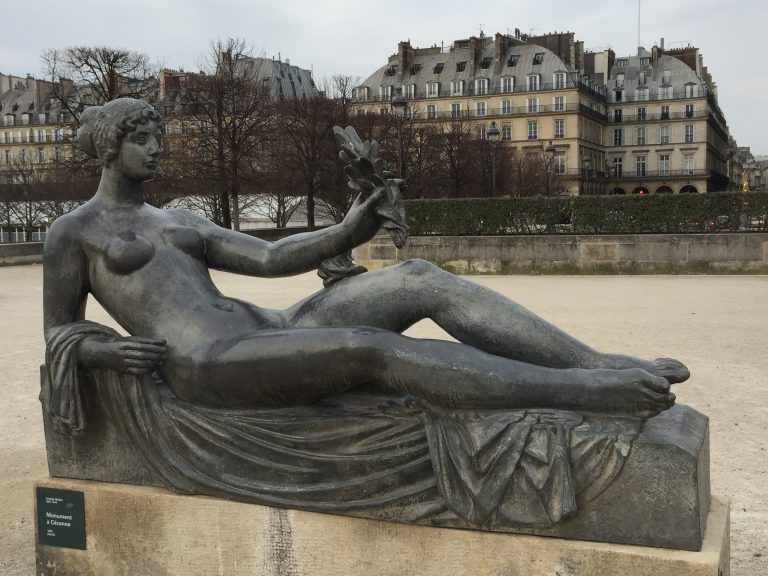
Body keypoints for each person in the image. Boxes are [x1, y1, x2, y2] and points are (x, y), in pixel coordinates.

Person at [43, 98, 687, 420]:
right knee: (368, 347)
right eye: (143, 139)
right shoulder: (74, 232)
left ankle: (596, 361)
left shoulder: (177, 218)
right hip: (204, 363)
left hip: (270, 331)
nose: (157, 149)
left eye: (160, 136)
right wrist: (103, 351)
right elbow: (57, 333)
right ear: (109, 145)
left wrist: (350, 228)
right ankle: (587, 391)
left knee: (417, 278)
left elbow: (271, 259)